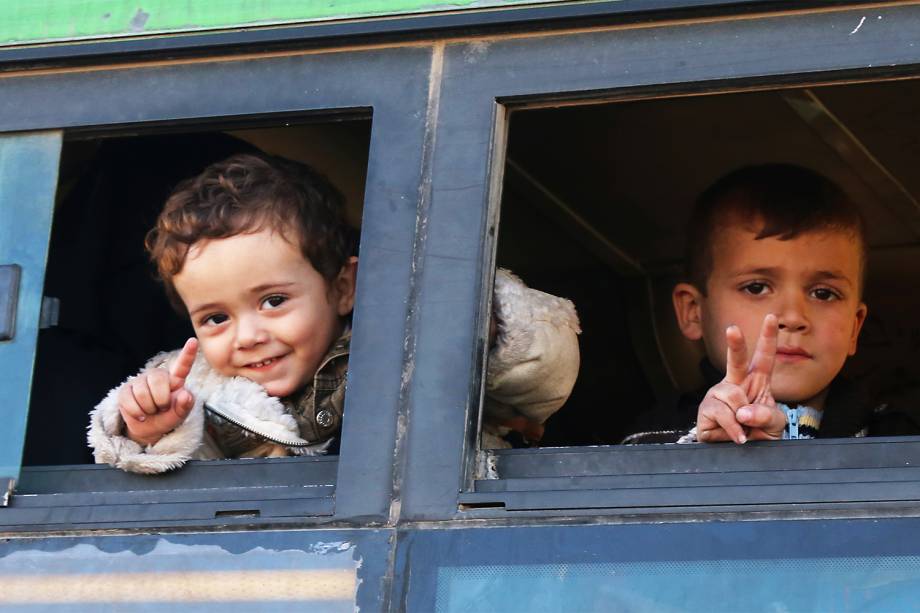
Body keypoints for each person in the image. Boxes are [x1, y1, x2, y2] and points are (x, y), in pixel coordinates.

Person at [88, 153, 581, 473]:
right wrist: (152, 433)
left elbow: (543, 373)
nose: (248, 335)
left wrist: (477, 318)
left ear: (344, 288)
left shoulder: (407, 337)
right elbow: (176, 489)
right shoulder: (193, 387)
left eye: (273, 301)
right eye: (216, 317)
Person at [670, 164, 920, 444]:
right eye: (756, 287)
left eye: (823, 294)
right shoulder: (653, 441)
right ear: (693, 312)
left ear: (854, 328)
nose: (792, 317)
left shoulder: (900, 440)